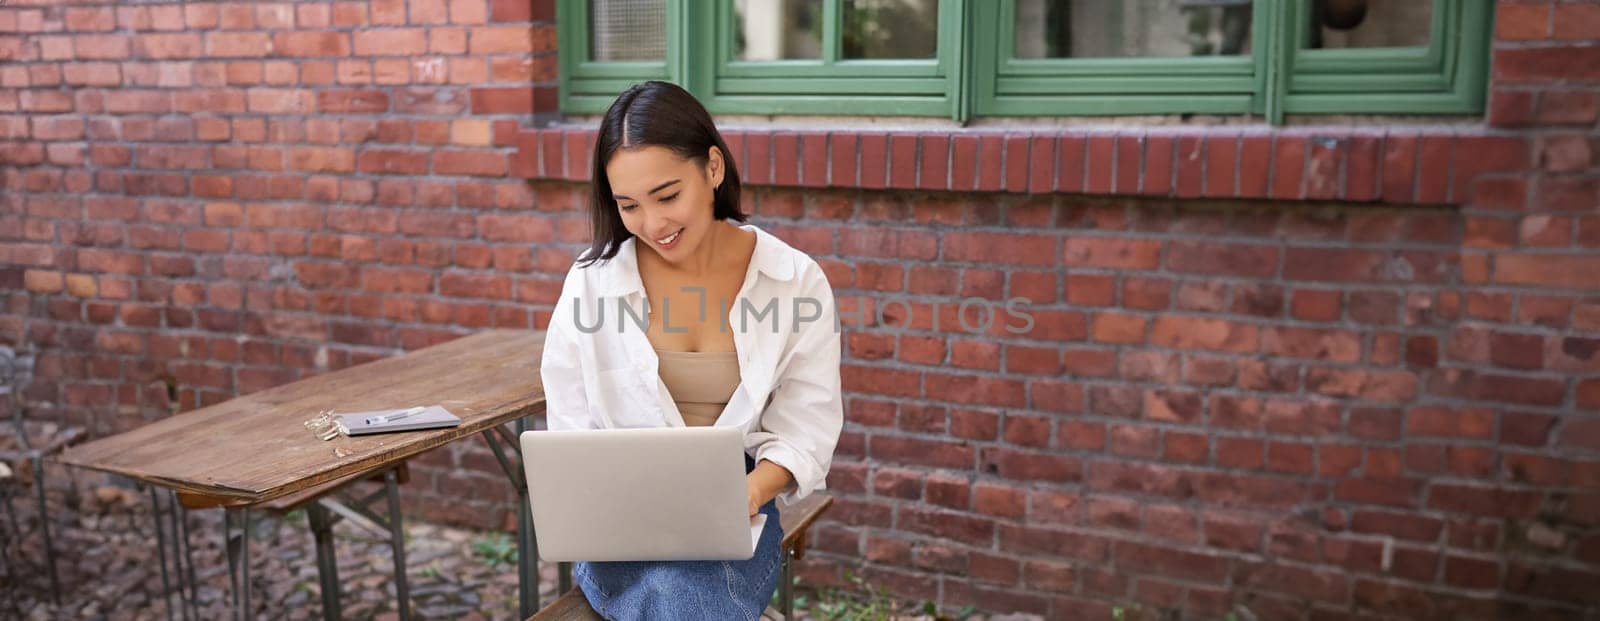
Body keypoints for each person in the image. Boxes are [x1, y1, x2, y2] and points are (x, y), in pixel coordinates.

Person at [537, 80, 845, 621]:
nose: (653, 225)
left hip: (738, 495)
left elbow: (807, 427)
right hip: (619, 511)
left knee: (679, 596)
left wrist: (746, 496)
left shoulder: (793, 280)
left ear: (713, 168)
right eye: (628, 205)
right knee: (681, 598)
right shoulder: (592, 283)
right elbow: (570, 427)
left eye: (667, 196)